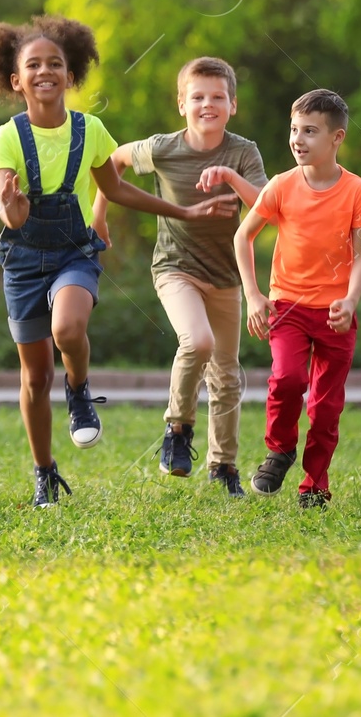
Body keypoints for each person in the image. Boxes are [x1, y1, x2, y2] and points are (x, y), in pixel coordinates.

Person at [0, 16, 237, 508]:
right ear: (16, 79)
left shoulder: (90, 130)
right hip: (24, 257)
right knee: (33, 377)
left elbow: (115, 187)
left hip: (74, 253)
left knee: (69, 330)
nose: (45, 71)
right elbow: (11, 219)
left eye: (56, 63)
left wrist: (182, 209)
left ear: (70, 75)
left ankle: (79, 388)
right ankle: (44, 472)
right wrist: (10, 202)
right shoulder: (5, 139)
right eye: (33, 65)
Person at [93, 57, 267, 497]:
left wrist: (230, 175)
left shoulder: (243, 151)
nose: (207, 104)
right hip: (176, 267)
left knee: (227, 375)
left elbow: (265, 207)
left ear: (232, 105)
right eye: (198, 97)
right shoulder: (164, 148)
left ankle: (223, 465)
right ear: (181, 104)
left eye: (217, 97)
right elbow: (113, 160)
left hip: (226, 274)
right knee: (198, 342)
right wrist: (99, 214)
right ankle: (177, 429)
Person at [234, 89, 361, 509]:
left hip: (336, 314)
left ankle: (315, 483)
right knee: (287, 379)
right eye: (294, 129)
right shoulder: (281, 185)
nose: (298, 139)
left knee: (326, 406)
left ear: (337, 138)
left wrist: (351, 300)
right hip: (288, 307)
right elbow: (243, 236)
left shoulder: (356, 191)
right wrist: (254, 295)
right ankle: (279, 451)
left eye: (310, 131)